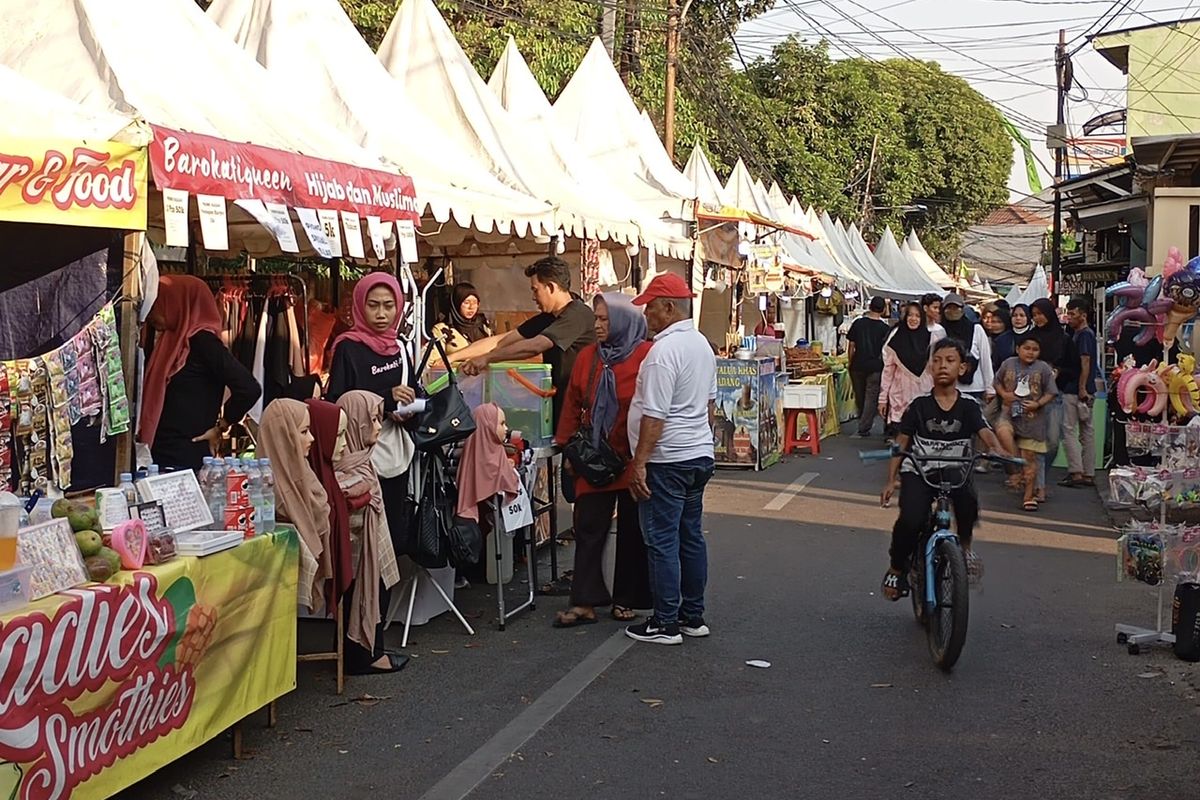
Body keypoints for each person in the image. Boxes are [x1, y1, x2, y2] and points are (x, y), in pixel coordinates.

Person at [325, 272, 423, 631]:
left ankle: (375, 627)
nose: (381, 313)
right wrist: (383, 403)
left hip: (395, 458)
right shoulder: (348, 348)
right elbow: (336, 404)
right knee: (363, 548)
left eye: (389, 305)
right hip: (360, 462)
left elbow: (414, 396)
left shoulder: (401, 348)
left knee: (389, 541)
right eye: (373, 305)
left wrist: (408, 408)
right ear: (360, 305)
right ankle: (361, 633)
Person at [625, 274, 716, 646]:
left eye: (650, 306)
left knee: (662, 539)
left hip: (668, 459)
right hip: (696, 454)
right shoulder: (702, 346)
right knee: (689, 536)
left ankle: (666, 623)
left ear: (668, 308)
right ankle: (692, 615)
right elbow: (709, 406)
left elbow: (655, 415)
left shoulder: (662, 353)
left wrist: (640, 462)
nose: (646, 314)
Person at [879, 339, 1009, 600]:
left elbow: (986, 432)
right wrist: (891, 480)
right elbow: (901, 444)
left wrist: (998, 451)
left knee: (968, 503)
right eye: (936, 361)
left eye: (950, 361)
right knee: (911, 520)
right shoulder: (918, 406)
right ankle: (897, 567)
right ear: (929, 367)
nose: (942, 366)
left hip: (955, 471)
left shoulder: (970, 406)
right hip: (919, 471)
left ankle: (965, 548)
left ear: (962, 368)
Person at [553, 293, 653, 628]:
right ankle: (585, 601)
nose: (597, 325)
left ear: (623, 321)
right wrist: (567, 447)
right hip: (594, 458)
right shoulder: (588, 357)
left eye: (604, 320)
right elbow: (572, 402)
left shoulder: (645, 355)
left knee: (632, 529)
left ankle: (627, 599)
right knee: (588, 526)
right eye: (596, 319)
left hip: (632, 456)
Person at [138, 274, 261, 471]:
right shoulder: (171, 341)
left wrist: (222, 424)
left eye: (158, 305)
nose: (151, 314)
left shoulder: (203, 342)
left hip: (184, 455)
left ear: (177, 303)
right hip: (161, 451)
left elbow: (249, 388)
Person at [460, 256, 597, 427]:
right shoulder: (548, 317)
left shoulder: (577, 315)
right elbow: (502, 340)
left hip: (581, 413)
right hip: (557, 407)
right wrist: (452, 358)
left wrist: (487, 358)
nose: (533, 297)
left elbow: (536, 346)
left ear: (551, 287)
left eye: (535, 290)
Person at [335, 390, 404, 675]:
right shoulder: (347, 468)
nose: (378, 426)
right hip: (356, 556)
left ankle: (370, 650)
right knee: (364, 588)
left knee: (377, 586)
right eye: (371, 420)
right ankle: (364, 655)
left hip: (365, 553)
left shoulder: (363, 460)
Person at [258, 399, 326, 615]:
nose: (312, 438)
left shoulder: (303, 473)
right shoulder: (269, 487)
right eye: (304, 431)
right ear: (284, 437)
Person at [993, 334, 1059, 511]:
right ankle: (1017, 466)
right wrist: (1004, 395)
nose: (1030, 352)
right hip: (1009, 414)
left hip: (1033, 420)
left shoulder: (1043, 368)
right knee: (1002, 431)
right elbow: (997, 381)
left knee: (1030, 457)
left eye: (1035, 349)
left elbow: (1051, 392)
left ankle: (1029, 496)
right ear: (1018, 349)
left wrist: (1038, 404)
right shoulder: (1008, 363)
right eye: (1026, 348)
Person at [1028, 297, 1076, 500]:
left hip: (1055, 396)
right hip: (1030, 397)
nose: (1037, 318)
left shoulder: (1064, 339)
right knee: (1035, 442)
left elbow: (1074, 368)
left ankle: (1041, 477)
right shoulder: (1030, 339)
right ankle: (1038, 486)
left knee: (1053, 442)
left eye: (1040, 313)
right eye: (1034, 314)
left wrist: (1058, 372)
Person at [879, 302, 944, 434]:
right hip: (900, 397)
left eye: (917, 316)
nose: (913, 319)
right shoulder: (896, 341)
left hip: (924, 393)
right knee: (900, 441)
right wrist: (882, 399)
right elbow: (887, 372)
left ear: (922, 319)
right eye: (910, 315)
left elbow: (937, 369)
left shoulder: (931, 340)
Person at [1060, 297, 1099, 488]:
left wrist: (1082, 387)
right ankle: (1088, 473)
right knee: (1087, 432)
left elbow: (1086, 362)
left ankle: (1076, 471)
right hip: (1086, 389)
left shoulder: (1083, 335)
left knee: (1069, 430)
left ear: (1083, 315)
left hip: (1076, 389)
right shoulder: (1085, 334)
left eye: (1072, 314)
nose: (1069, 317)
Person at [847, 296, 891, 438]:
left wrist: (850, 361)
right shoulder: (885, 328)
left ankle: (863, 422)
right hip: (876, 366)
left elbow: (851, 345)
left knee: (860, 396)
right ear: (883, 309)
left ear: (870, 306)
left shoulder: (858, 323)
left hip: (858, 364)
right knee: (871, 397)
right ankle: (864, 426)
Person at [939, 293, 995, 405]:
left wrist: (990, 388)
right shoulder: (939, 331)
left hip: (975, 389)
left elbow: (985, 360)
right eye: (949, 308)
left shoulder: (976, 329)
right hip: (948, 388)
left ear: (962, 309)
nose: (952, 311)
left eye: (956, 308)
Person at [431, 282, 492, 355]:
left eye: (475, 302)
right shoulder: (442, 329)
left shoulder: (482, 325)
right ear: (457, 304)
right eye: (466, 302)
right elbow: (433, 362)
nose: (471, 307)